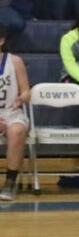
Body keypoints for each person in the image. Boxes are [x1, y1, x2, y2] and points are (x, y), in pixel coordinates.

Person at [0, 24, 31, 201]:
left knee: (17, 131)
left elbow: (26, 91)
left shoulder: (15, 61)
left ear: (1, 41)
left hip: (11, 113)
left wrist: (22, 98)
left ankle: (10, 182)